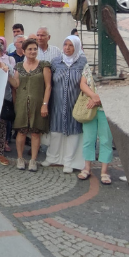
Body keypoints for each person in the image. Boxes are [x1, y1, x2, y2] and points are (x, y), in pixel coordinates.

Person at [44, 35, 86, 173]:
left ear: (77, 47)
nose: (67, 48)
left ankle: (69, 161)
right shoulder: (56, 62)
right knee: (55, 132)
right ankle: (52, 157)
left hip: (75, 103)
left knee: (73, 132)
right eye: (65, 45)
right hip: (57, 103)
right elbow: (48, 82)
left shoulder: (82, 62)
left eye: (71, 45)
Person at [13, 38, 51, 172]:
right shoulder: (18, 66)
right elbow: (16, 85)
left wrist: (45, 104)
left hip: (38, 103)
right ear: (23, 51)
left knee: (35, 132)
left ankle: (33, 160)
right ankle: (20, 158)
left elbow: (48, 86)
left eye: (35, 49)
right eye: (30, 49)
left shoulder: (44, 65)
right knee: (21, 131)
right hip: (22, 103)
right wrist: (5, 73)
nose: (33, 51)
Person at [77, 61, 113, 184]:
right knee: (88, 138)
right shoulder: (88, 65)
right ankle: (87, 167)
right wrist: (94, 96)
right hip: (89, 107)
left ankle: (104, 171)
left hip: (105, 109)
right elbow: (83, 84)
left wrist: (99, 99)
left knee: (106, 140)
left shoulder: (111, 66)